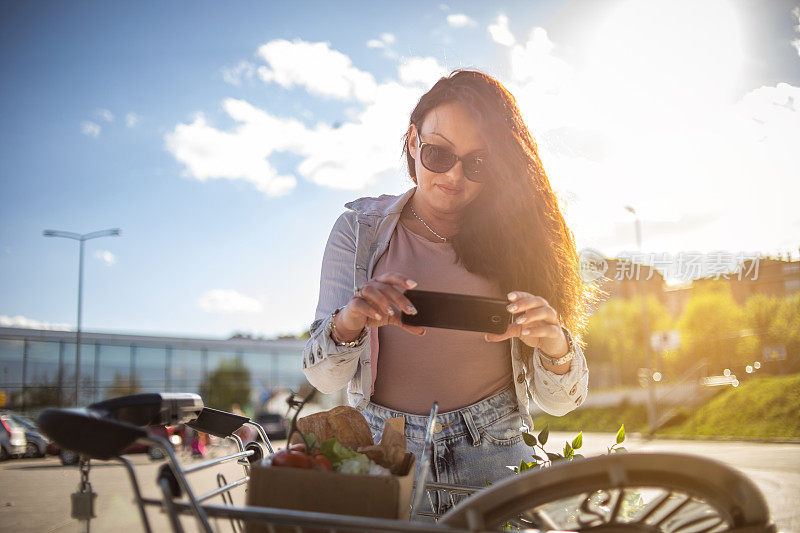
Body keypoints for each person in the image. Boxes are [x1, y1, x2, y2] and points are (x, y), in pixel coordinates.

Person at [302, 68, 599, 518]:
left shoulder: (523, 242)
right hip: (390, 455)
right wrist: (350, 322)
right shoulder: (358, 233)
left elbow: (561, 403)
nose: (455, 175)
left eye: (477, 163)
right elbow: (325, 379)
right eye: (438, 154)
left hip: (497, 450)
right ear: (412, 142)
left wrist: (555, 345)